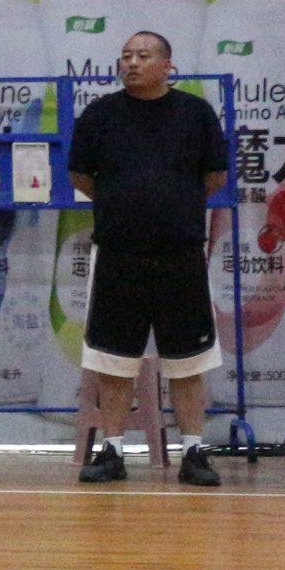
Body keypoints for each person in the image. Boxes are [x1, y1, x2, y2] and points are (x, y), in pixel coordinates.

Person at [68, 31, 231, 487]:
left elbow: (215, 176)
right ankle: (113, 450)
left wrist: (171, 205)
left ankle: (194, 452)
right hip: (119, 253)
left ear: (167, 65)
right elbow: (80, 175)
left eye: (142, 55)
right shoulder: (100, 115)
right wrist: (124, 204)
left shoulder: (195, 113)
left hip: (180, 252)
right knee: (113, 360)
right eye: (126, 56)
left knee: (189, 360)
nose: (132, 63)